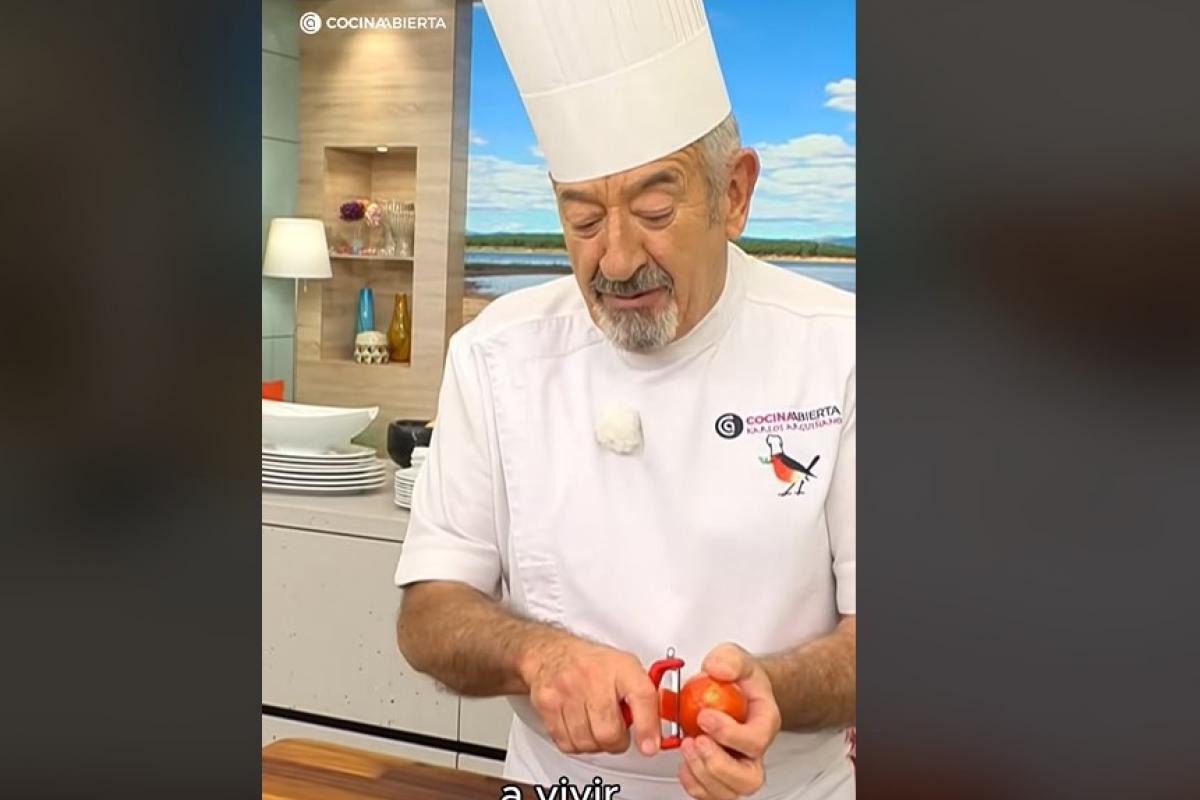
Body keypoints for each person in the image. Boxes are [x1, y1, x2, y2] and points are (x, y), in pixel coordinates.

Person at [394, 1, 855, 797]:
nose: (613, 260)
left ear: (735, 193)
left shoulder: (843, 349)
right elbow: (430, 612)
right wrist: (538, 655)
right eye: (581, 220)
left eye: (654, 213)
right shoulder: (496, 353)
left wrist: (771, 691)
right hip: (561, 785)